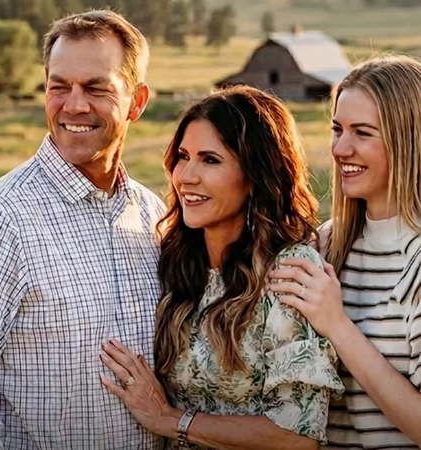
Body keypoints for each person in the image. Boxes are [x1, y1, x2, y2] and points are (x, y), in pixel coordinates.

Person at [0, 10, 165, 450]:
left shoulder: (152, 215)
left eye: (96, 88)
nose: (74, 105)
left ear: (137, 101)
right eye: (59, 86)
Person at [100, 86, 344, 450]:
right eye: (183, 156)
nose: (186, 176)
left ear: (255, 175)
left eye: (210, 160)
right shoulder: (175, 262)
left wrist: (170, 420)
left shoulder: (288, 272)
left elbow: (297, 434)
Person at [269, 55, 421, 448]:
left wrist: (336, 325)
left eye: (362, 133)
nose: (340, 148)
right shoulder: (326, 245)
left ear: (409, 140)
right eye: (337, 129)